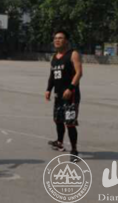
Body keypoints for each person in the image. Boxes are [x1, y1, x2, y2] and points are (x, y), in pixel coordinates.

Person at [45, 30, 83, 163]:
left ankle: (74, 151)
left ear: (66, 41)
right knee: (58, 120)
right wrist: (48, 89)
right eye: (55, 38)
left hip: (71, 96)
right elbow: (52, 75)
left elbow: (79, 73)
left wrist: (71, 88)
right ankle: (59, 142)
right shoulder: (55, 57)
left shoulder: (73, 54)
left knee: (70, 123)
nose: (57, 40)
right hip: (58, 95)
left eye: (60, 38)